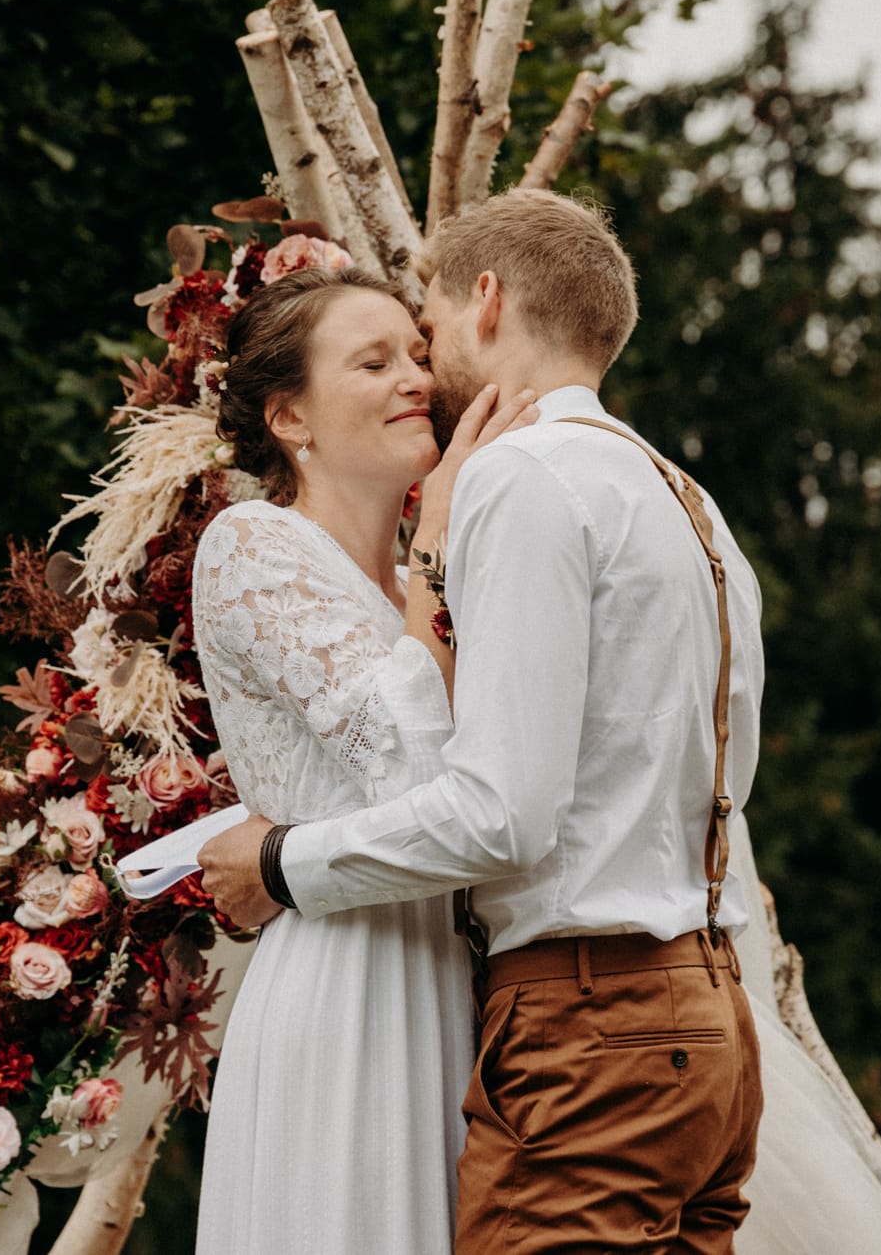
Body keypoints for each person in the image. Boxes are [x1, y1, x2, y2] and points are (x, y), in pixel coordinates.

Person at [196, 192, 881, 1255]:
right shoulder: (687, 500)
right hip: (693, 1014)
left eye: (425, 333)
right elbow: (719, 776)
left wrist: (278, 865)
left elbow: (497, 812)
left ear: (489, 300)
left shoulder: (519, 481)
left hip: (586, 1019)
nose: (423, 370)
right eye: (381, 361)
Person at [187, 260, 540, 1255]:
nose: (415, 379)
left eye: (420, 355)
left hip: (452, 990)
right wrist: (437, 531)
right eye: (374, 361)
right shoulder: (254, 545)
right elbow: (406, 771)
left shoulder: (432, 584)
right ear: (289, 420)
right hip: (344, 989)